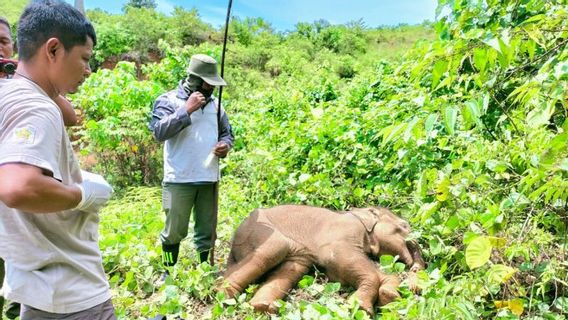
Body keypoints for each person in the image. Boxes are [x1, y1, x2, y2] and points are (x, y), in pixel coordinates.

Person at [0, 1, 115, 319]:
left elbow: (71, 115)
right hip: (71, 288)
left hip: (36, 284)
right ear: (53, 50)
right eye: (84, 58)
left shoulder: (9, 92)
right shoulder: (37, 107)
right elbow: (18, 187)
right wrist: (82, 194)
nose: (88, 70)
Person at [149, 54, 234, 272]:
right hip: (178, 179)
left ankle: (204, 270)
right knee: (174, 230)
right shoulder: (168, 100)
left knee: (207, 229)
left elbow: (227, 134)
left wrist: (225, 145)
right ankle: (167, 272)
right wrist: (186, 109)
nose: (211, 88)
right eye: (207, 83)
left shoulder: (217, 106)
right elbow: (159, 133)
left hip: (209, 178)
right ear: (195, 80)